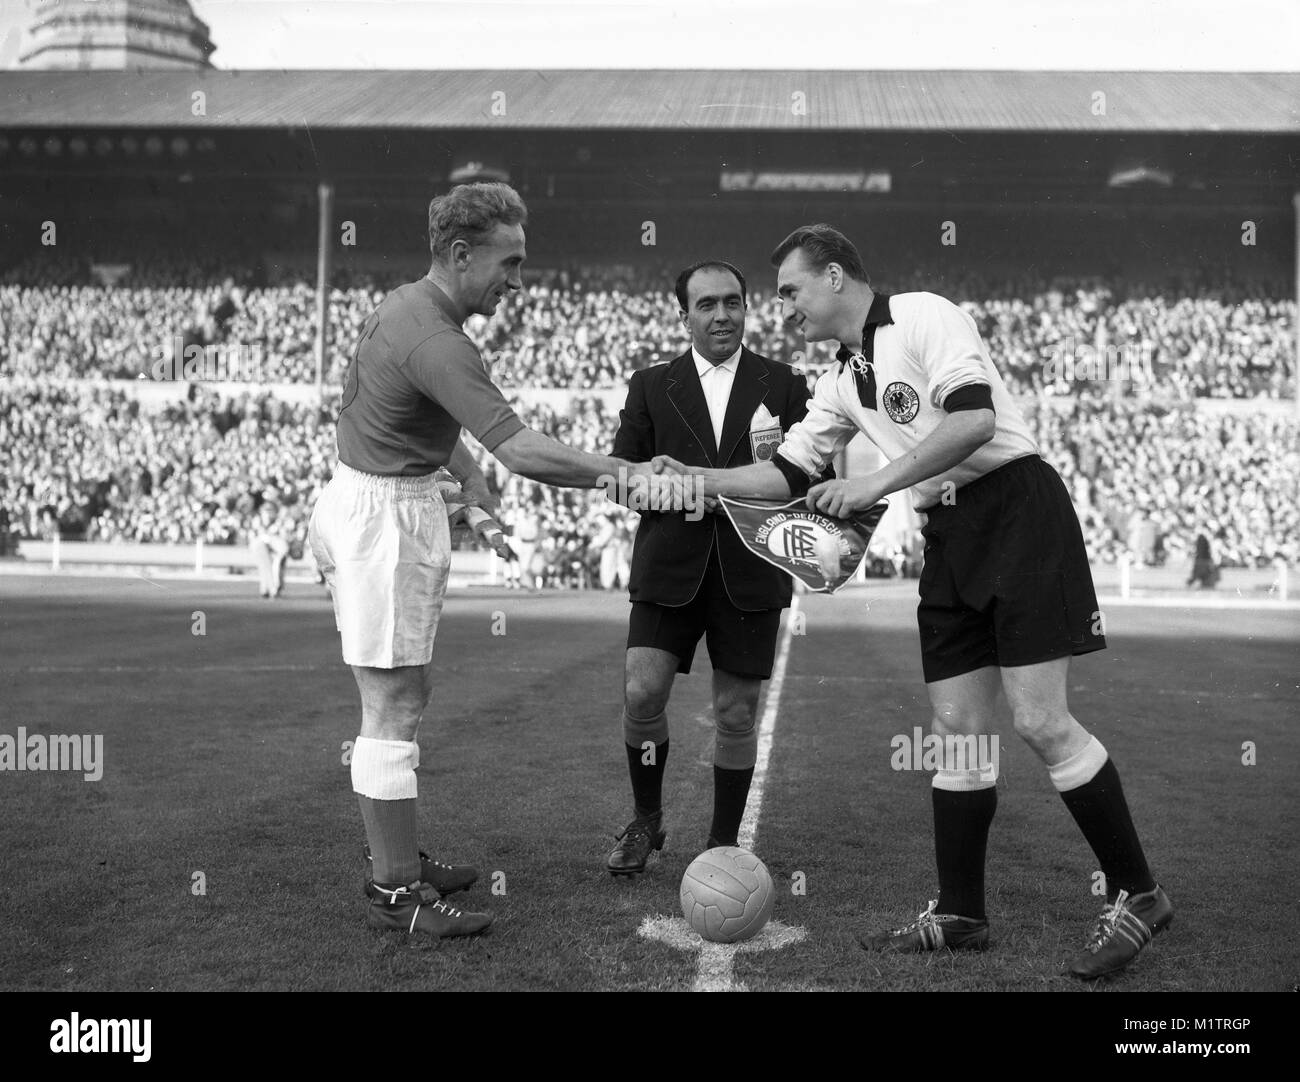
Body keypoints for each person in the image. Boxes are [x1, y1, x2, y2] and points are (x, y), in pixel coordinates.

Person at [654, 224, 1171, 979]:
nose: (787, 309)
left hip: (1017, 511)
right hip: (950, 533)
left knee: (1037, 719)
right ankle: (961, 914)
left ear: (834, 276)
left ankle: (1140, 893)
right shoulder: (838, 380)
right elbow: (784, 476)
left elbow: (974, 420)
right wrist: (694, 478)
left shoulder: (923, 314)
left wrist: (870, 484)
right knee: (956, 731)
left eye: (792, 291)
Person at [307, 182, 662, 940]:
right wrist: (625, 474)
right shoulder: (439, 338)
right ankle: (396, 889)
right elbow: (524, 449)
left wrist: (466, 486)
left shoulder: (408, 307)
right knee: (391, 704)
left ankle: (398, 857)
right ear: (462, 255)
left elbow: (421, 413)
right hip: (383, 522)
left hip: (380, 502)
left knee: (406, 692)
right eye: (511, 262)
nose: (518, 280)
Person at [605, 260, 823, 875]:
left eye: (732, 302)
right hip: (667, 565)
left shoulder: (785, 386)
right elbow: (621, 480)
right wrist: (674, 494)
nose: (722, 315)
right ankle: (647, 821)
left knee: (735, 713)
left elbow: (813, 476)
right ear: (685, 315)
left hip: (751, 570)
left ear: (747, 310)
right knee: (642, 692)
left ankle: (723, 841)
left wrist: (727, 491)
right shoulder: (651, 384)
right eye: (707, 305)